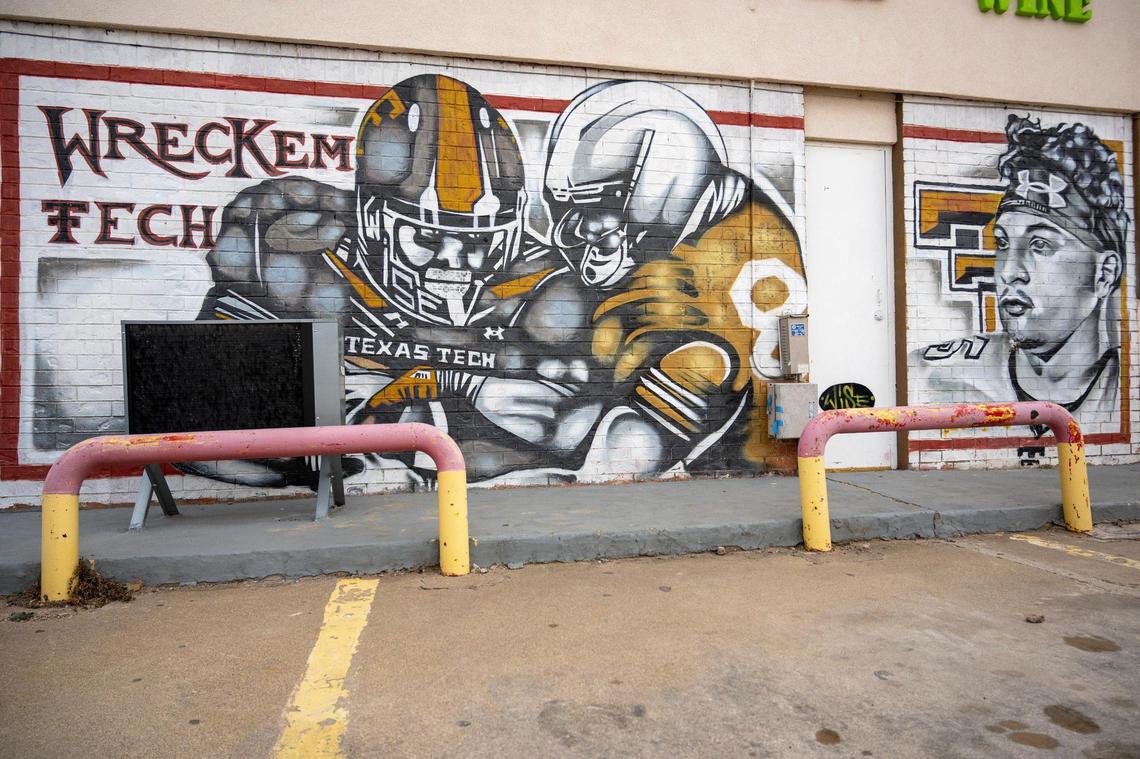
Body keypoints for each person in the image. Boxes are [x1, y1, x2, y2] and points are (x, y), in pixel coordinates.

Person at [542, 80, 808, 472]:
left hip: (726, 459)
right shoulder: (734, 220)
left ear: (656, 184)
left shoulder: (692, 272)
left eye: (595, 208)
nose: (580, 230)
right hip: (730, 440)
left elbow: (633, 450)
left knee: (570, 426)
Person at [914, 116, 1128, 433]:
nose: (1010, 272)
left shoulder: (1118, 392)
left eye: (1040, 244)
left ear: (1104, 273)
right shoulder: (943, 375)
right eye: (1002, 243)